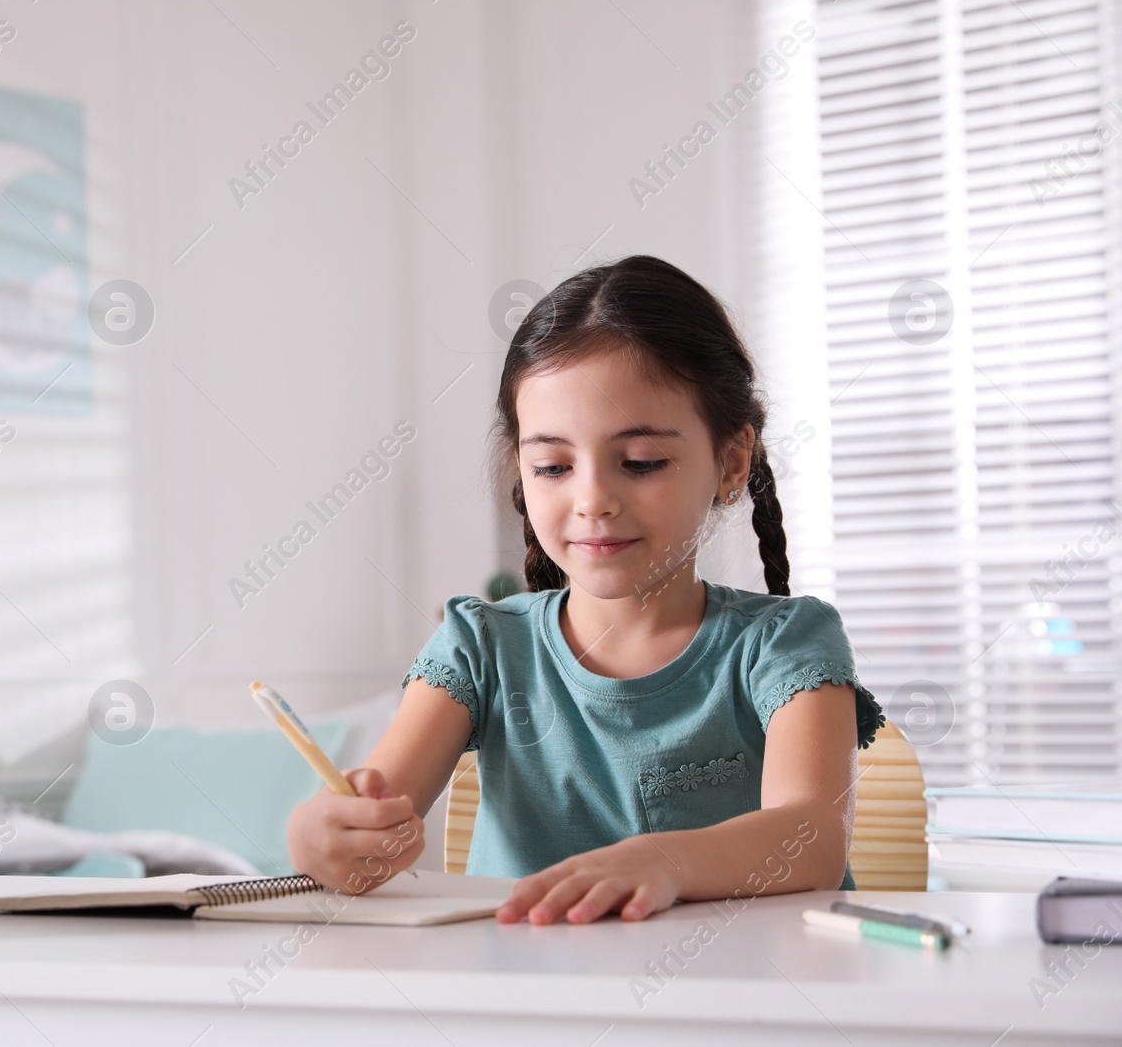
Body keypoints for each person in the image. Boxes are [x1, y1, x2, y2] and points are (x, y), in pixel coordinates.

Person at [287, 255, 884, 924]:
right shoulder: (480, 645)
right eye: (553, 466)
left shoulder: (785, 642)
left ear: (731, 463)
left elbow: (809, 837)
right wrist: (321, 837)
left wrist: (663, 861)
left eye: (641, 462)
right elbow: (372, 810)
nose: (593, 498)